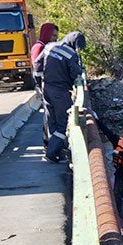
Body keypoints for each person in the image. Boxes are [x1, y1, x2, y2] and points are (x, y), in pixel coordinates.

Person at [41, 31, 86, 163]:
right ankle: (50, 154)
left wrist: (40, 82)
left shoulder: (50, 46)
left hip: (46, 88)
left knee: (52, 122)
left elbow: (37, 65)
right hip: (60, 91)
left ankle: (60, 156)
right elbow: (75, 73)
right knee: (63, 124)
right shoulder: (71, 55)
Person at [95, 116, 123, 220]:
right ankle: (118, 215)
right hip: (120, 173)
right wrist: (97, 120)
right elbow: (107, 132)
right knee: (117, 195)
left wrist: (119, 152)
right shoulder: (117, 140)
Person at [31, 22, 58, 146]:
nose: (55, 39)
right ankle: (48, 142)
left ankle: (49, 142)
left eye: (56, 37)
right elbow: (37, 68)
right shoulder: (39, 47)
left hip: (46, 85)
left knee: (49, 116)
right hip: (44, 86)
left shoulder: (44, 46)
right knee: (48, 116)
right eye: (53, 36)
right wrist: (41, 86)